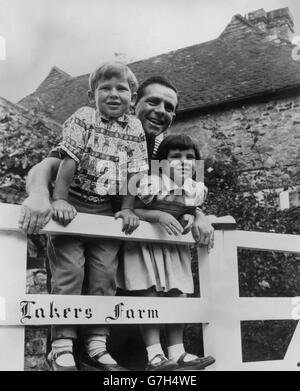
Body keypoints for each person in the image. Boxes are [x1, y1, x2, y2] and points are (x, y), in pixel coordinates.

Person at [19, 75, 215, 371]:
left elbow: (182, 199)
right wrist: (37, 194)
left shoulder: (168, 153)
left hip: (139, 269)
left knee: (139, 362)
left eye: (169, 106)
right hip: (86, 260)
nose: (160, 110)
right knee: (76, 352)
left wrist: (199, 215)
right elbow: (46, 166)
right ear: (134, 102)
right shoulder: (101, 131)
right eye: (153, 101)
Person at [44, 61, 149, 371]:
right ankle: (61, 347)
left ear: (133, 95)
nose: (114, 94)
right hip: (74, 202)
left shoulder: (134, 128)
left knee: (104, 275)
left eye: (122, 89)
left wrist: (127, 208)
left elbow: (134, 173)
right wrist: (60, 199)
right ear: (92, 95)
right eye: (106, 88)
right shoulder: (84, 117)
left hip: (105, 208)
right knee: (70, 271)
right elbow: (69, 161)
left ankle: (96, 345)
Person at [117, 134, 215, 371]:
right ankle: (154, 355)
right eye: (175, 157)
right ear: (160, 162)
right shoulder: (151, 182)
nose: (184, 162)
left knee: (178, 294)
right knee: (148, 294)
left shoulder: (195, 188)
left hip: (173, 247)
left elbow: (191, 208)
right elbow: (134, 211)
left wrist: (191, 215)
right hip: (145, 246)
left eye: (190, 157)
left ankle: (177, 352)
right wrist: (159, 215)